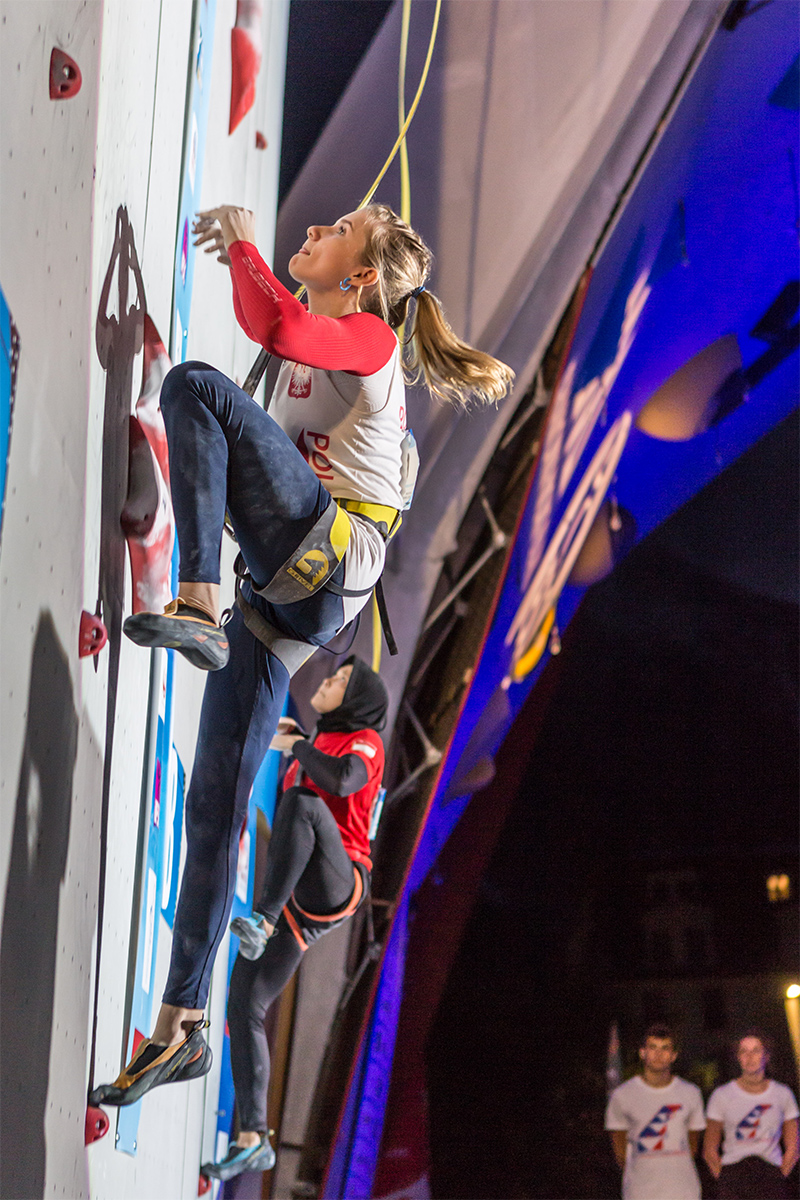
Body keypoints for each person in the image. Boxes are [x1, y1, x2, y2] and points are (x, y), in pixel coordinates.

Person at [89, 203, 513, 1106]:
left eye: (337, 229)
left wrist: (246, 241)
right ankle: (183, 1027)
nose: (316, 226)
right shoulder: (322, 343)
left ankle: (196, 600)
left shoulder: (366, 338)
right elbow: (279, 339)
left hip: (316, 567)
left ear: (362, 278)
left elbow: (274, 321)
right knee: (214, 809)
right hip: (298, 600)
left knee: (197, 387)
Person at [200, 654, 387, 1181]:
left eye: (338, 680)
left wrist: (298, 744)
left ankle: (261, 919)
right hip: (302, 904)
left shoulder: (365, 740)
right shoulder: (316, 743)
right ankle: (254, 1137)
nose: (326, 682)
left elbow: (345, 781)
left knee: (304, 804)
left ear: (356, 700)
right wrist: (296, 741)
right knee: (245, 1002)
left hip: (341, 881)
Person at [605, 1024, 705, 1200]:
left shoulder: (691, 1093)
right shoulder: (623, 1096)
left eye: (665, 1048)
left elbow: (693, 1146)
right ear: (642, 1052)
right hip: (640, 1193)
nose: (658, 1054)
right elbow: (620, 1153)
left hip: (684, 1193)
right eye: (653, 1047)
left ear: (673, 1055)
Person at [703, 1029, 799, 1199]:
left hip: (770, 1176)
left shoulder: (782, 1093)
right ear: (738, 1057)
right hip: (733, 1176)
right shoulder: (722, 1095)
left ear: (766, 1056)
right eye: (743, 1051)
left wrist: (778, 1176)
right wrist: (726, 1180)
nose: (750, 1056)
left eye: (756, 1050)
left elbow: (794, 1146)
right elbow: (709, 1149)